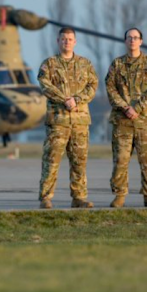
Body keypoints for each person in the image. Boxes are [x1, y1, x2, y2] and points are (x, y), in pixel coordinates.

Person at [37, 27, 99, 209]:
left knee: (79, 161)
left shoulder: (85, 64)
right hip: (58, 121)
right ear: (58, 41)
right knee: (52, 160)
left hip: (80, 121)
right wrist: (64, 99)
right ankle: (46, 198)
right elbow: (45, 85)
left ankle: (79, 197)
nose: (67, 42)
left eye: (70, 39)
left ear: (75, 42)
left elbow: (92, 85)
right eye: (63, 39)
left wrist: (77, 100)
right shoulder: (48, 64)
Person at [104, 27, 147, 208]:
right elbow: (110, 88)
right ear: (125, 41)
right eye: (129, 38)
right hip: (122, 121)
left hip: (145, 121)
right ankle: (120, 195)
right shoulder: (117, 64)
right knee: (121, 160)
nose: (132, 40)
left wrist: (137, 108)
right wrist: (125, 107)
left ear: (141, 41)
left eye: (136, 38)